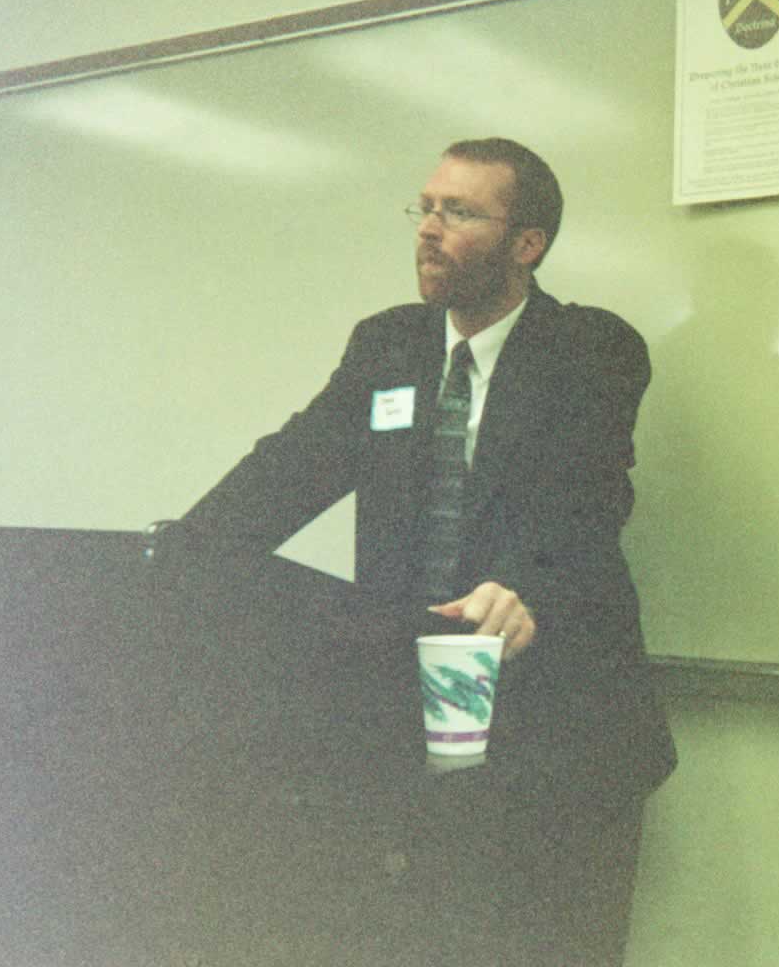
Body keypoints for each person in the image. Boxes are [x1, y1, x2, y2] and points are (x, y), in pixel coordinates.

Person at [163, 137, 676, 965]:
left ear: (527, 243)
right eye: (427, 208)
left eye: (460, 213)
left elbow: (590, 500)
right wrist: (179, 552)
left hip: (555, 726)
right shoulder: (388, 346)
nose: (429, 230)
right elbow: (290, 468)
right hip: (405, 715)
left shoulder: (591, 350)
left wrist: (524, 587)